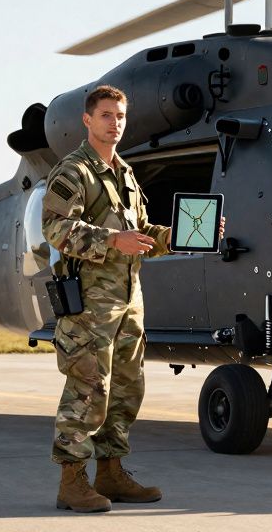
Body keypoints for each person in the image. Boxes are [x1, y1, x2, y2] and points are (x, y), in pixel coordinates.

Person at [41, 85, 222, 513]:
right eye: (106, 115)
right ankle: (71, 481)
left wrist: (183, 237)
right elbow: (55, 227)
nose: (114, 123)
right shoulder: (74, 172)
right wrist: (111, 240)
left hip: (128, 302)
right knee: (88, 389)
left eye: (120, 116)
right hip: (89, 304)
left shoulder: (124, 173)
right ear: (87, 121)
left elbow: (139, 236)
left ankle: (111, 473)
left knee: (126, 389)